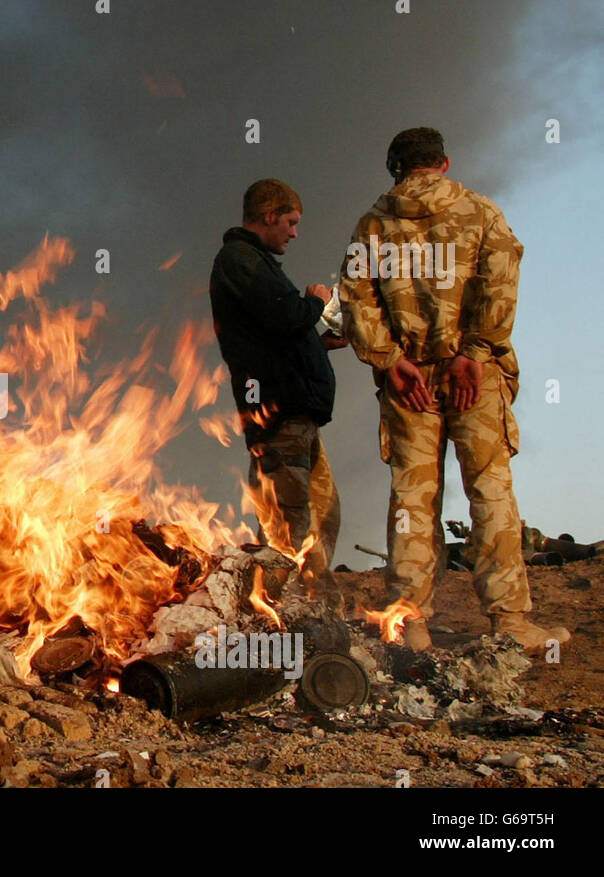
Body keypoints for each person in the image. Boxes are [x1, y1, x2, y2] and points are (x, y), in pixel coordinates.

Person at [339, 127, 570, 653]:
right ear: (443, 163)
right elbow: (501, 281)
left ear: (396, 168)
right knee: (489, 490)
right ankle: (510, 622)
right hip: (476, 379)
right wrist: (475, 354)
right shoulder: (480, 211)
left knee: (413, 499)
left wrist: (392, 360)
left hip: (409, 383)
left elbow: (355, 301)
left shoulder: (372, 225)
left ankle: (409, 625)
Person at [209, 179, 343, 610]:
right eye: (290, 222)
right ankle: (276, 615)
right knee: (288, 526)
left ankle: (310, 609)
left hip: (296, 416)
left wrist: (317, 346)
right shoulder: (240, 259)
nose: (294, 232)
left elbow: (272, 334)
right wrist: (316, 301)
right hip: (278, 417)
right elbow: (285, 317)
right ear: (269, 216)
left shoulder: (256, 262)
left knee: (322, 514)